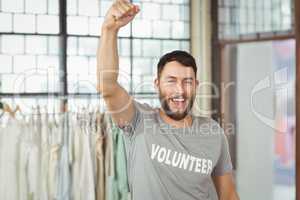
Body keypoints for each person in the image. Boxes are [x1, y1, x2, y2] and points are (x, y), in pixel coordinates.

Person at [97, 0, 240, 199]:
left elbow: (229, 195)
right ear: (157, 84)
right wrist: (109, 30)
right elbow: (107, 87)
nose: (179, 90)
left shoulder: (214, 133)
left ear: (196, 85)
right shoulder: (138, 120)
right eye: (171, 81)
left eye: (187, 81)